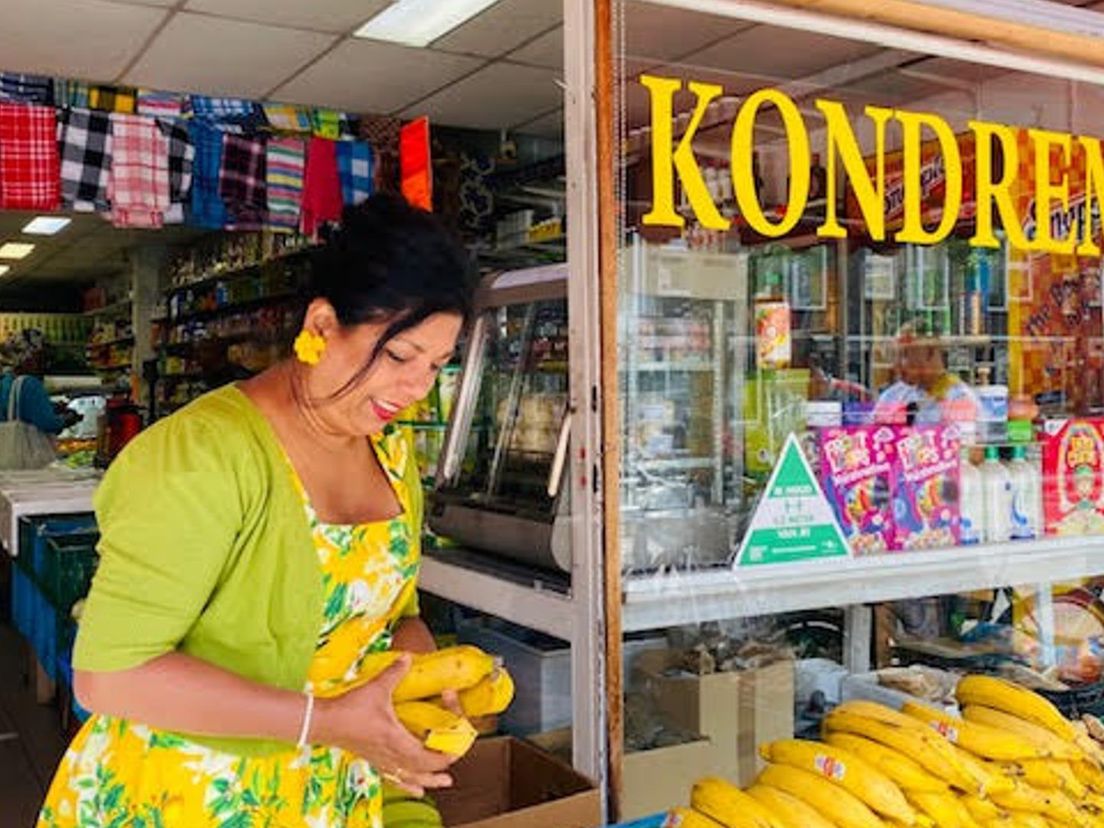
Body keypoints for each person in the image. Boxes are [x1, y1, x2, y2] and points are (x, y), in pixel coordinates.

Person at [38, 194, 476, 828]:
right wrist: (323, 721)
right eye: (400, 356)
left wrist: (418, 687)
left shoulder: (390, 449)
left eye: (438, 364)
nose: (417, 388)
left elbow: (396, 613)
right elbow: (109, 674)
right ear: (323, 325)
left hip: (329, 788)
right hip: (189, 793)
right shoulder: (203, 455)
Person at [874, 321, 978, 426]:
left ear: (931, 352)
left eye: (904, 355)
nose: (896, 364)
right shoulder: (893, 395)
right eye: (895, 356)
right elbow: (872, 434)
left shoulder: (958, 397)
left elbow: (963, 439)